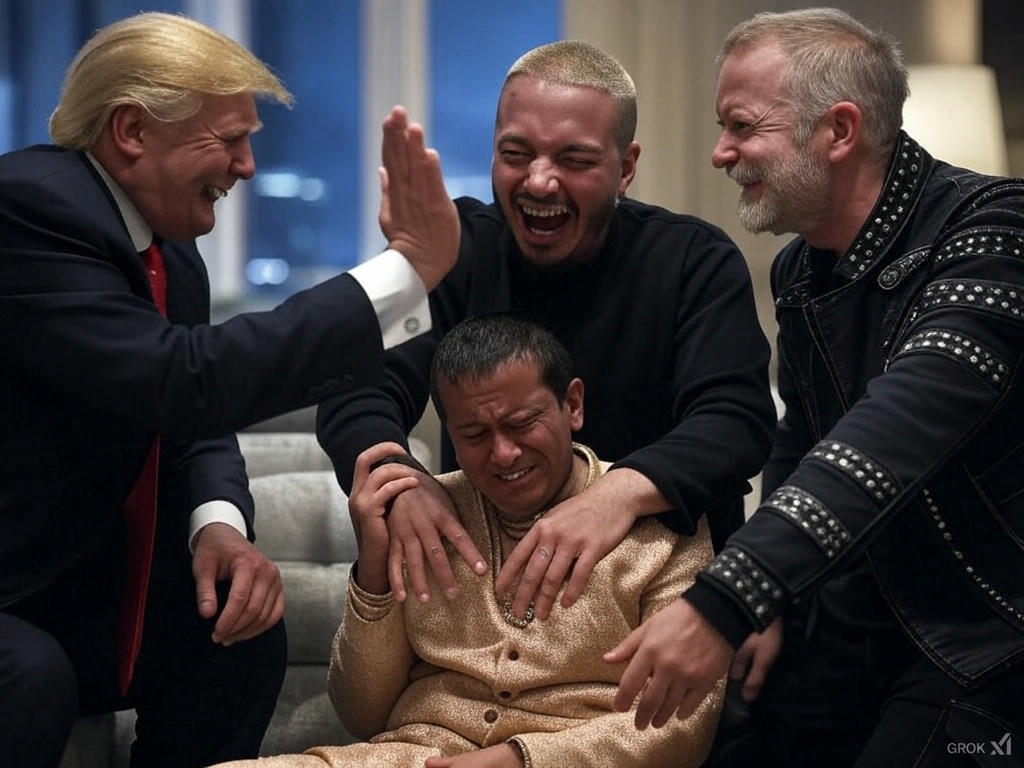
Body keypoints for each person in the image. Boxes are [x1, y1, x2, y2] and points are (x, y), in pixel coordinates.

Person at [0, 12, 458, 768]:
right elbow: (183, 379)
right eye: (229, 139)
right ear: (132, 131)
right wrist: (401, 273)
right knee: (30, 679)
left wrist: (216, 526)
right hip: (20, 595)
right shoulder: (28, 208)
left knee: (234, 633)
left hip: (60, 588)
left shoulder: (169, 256)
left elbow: (189, 421)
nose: (247, 166)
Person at [605, 8, 1024, 766]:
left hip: (984, 636)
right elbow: (799, 441)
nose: (720, 153)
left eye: (741, 127)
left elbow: (892, 432)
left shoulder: (996, 230)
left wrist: (730, 598)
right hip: (851, 621)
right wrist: (774, 601)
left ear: (839, 130)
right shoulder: (799, 269)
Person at [316, 40, 776, 627]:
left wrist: (615, 496)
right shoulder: (452, 247)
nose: (538, 182)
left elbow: (736, 422)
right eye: (515, 154)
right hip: (492, 601)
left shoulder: (693, 259)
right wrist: (398, 483)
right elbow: (355, 386)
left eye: (574, 160)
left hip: (662, 600)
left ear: (626, 168)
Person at [214, 313, 722, 768]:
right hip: (409, 755)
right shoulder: (422, 513)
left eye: (522, 424)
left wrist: (522, 760)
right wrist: (373, 569)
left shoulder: (660, 521)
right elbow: (361, 714)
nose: (503, 454)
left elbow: (684, 725)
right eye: (474, 435)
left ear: (572, 404)